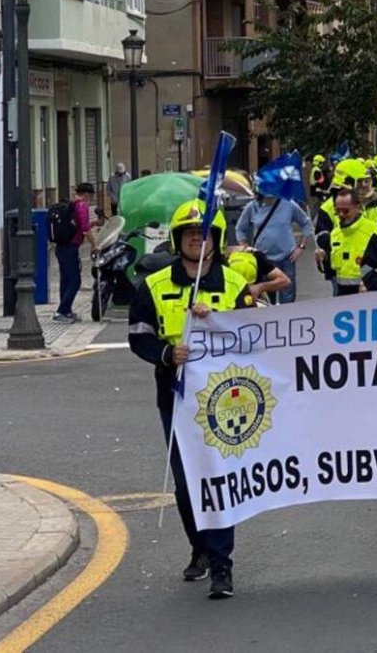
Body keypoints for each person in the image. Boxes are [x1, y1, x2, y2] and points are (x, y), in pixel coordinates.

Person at [127, 200, 255, 599]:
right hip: (175, 395)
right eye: (189, 234)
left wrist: (217, 322)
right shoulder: (154, 285)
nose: (197, 240)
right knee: (185, 484)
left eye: (204, 234)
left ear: (216, 240)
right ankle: (200, 547)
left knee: (217, 479)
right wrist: (166, 355)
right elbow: (139, 334)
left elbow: (254, 338)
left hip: (228, 399)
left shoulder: (234, 285)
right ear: (177, 239)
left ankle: (222, 564)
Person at [314, 168, 377, 296]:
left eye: (346, 211)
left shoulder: (375, 230)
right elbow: (335, 267)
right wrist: (323, 257)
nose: (341, 215)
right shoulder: (335, 234)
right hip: (342, 294)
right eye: (338, 211)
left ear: (358, 208)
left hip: (368, 291)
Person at [234, 195, 314, 304]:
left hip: (287, 258)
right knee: (266, 300)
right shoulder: (252, 207)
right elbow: (240, 228)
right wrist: (245, 247)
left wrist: (301, 247)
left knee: (288, 300)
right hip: (264, 261)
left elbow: (306, 223)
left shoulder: (289, 204)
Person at [53, 183, 97, 323]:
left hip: (62, 247)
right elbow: (84, 229)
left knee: (66, 280)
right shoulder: (82, 205)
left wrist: (94, 224)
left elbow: (77, 226)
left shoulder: (71, 204)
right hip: (70, 247)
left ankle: (66, 311)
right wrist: (95, 244)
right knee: (74, 281)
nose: (90, 199)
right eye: (90, 196)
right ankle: (61, 311)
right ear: (86, 194)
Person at [225, 244, 291, 303]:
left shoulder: (257, 257)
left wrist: (260, 287)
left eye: (248, 284)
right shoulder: (219, 260)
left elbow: (285, 281)